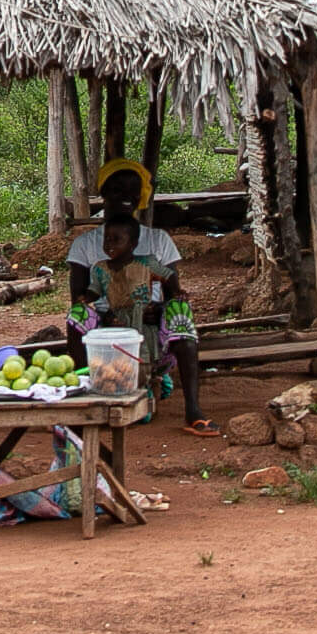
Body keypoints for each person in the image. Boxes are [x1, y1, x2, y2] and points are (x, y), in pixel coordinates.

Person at [60, 159, 216, 437]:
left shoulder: (157, 242)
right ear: (104, 193)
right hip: (105, 336)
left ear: (141, 197)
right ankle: (82, 394)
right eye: (117, 188)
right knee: (77, 315)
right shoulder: (85, 247)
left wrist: (160, 308)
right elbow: (81, 299)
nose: (125, 196)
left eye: (133, 189)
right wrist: (106, 317)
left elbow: (172, 289)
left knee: (180, 310)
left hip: (151, 328)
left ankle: (194, 409)